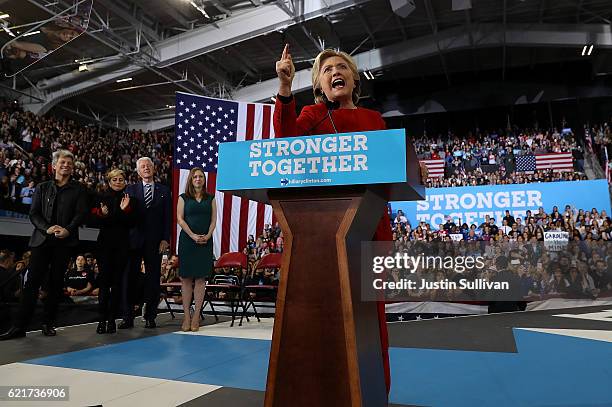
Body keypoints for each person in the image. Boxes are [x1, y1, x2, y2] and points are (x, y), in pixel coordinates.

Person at [273, 44, 392, 394]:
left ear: (354, 78)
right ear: (318, 85)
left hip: (370, 227)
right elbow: (286, 141)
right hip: (322, 230)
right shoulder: (312, 114)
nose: (335, 72)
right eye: (327, 70)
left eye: (342, 67)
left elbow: (389, 170)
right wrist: (283, 87)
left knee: (371, 316)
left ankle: (373, 392)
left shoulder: (375, 120)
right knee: (323, 313)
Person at [0, 150, 88, 340]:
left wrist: (68, 230)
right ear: (54, 165)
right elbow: (34, 214)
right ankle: (19, 326)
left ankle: (48, 323)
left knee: (56, 284)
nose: (66, 165)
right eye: (62, 162)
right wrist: (47, 228)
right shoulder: (42, 187)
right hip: (42, 240)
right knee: (31, 284)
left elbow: (80, 214)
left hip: (65, 242)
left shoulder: (79, 189)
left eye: (69, 163)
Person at [120, 157, 171, 329]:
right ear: (138, 171)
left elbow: (167, 218)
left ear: (154, 168)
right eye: (142, 166)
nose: (146, 168)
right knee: (129, 279)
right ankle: (127, 317)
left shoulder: (164, 190)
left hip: (155, 242)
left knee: (153, 279)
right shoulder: (130, 189)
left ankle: (150, 316)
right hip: (133, 242)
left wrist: (165, 238)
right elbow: (125, 216)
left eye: (148, 165)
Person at [91, 169, 136, 334]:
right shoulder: (100, 198)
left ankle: (111, 320)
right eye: (115, 179)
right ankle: (101, 320)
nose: (118, 182)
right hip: (104, 247)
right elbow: (95, 221)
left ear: (125, 182)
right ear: (109, 182)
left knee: (117, 285)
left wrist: (125, 211)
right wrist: (103, 215)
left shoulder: (130, 200)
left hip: (122, 247)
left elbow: (132, 223)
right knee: (104, 285)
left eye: (121, 179)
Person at [177, 167, 217, 332]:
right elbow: (180, 219)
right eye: (195, 177)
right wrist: (193, 235)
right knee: (186, 279)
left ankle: (196, 318)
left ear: (204, 180)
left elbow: (214, 220)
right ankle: (186, 316)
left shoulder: (211, 198)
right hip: (188, 241)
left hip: (205, 242)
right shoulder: (183, 198)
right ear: (191, 180)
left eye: (201, 176)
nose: (198, 179)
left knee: (201, 280)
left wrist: (207, 235)